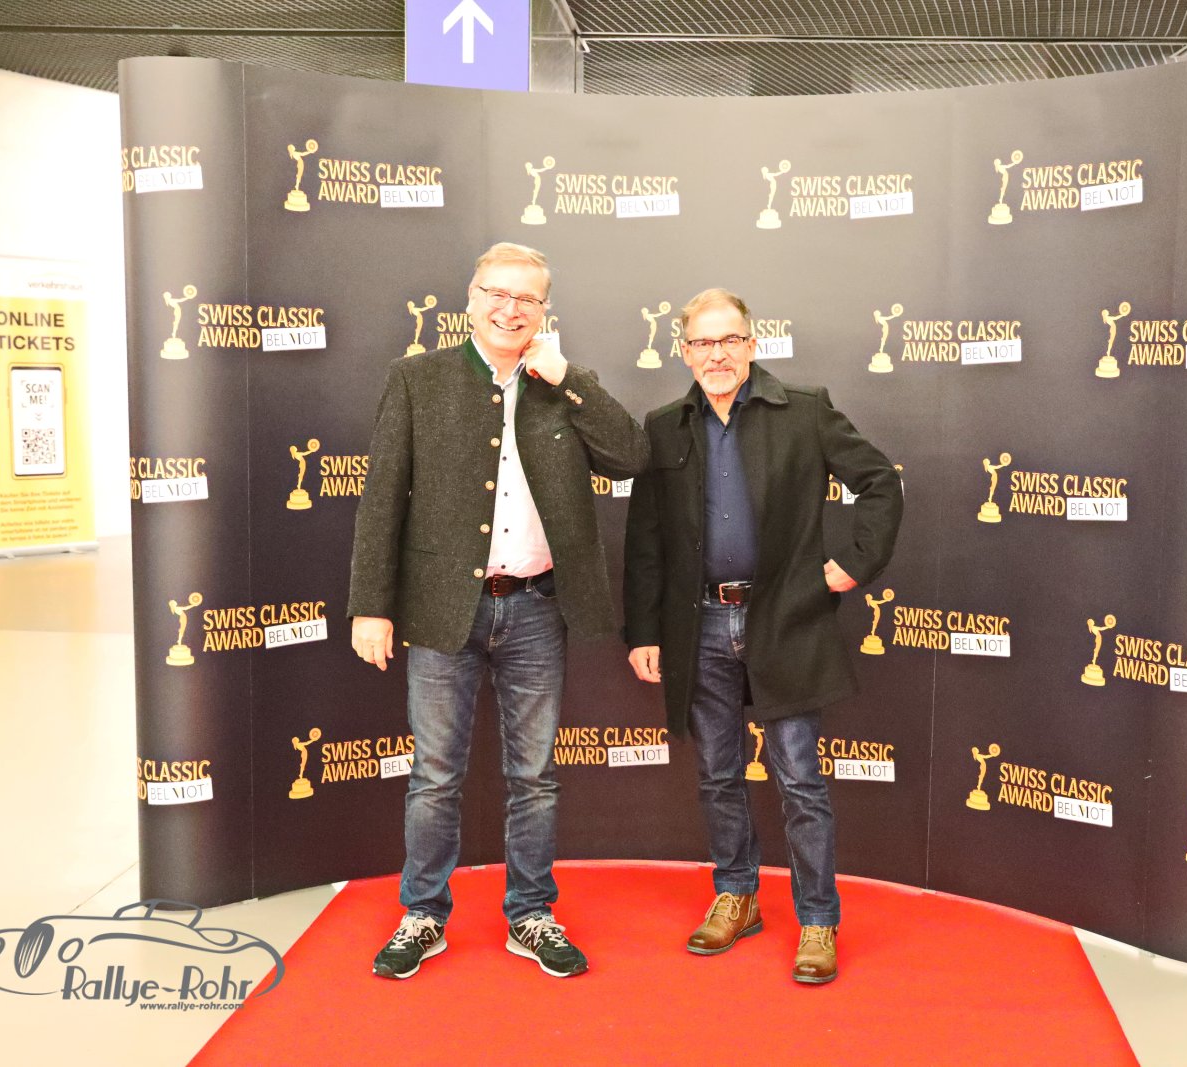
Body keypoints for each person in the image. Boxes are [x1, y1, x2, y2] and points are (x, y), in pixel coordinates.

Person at [348, 242, 649, 980]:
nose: (510, 309)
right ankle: (423, 913)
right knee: (434, 776)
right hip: (441, 609)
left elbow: (631, 457)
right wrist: (370, 607)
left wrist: (568, 379)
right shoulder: (417, 379)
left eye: (527, 299)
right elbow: (381, 499)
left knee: (534, 776)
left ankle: (531, 914)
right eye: (497, 293)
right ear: (471, 299)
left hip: (537, 608)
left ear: (545, 311)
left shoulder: (564, 383)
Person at [623, 288, 902, 984]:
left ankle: (818, 920)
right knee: (718, 774)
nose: (716, 354)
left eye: (729, 340)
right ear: (684, 352)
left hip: (785, 619)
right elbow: (646, 541)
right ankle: (737, 895)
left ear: (752, 344)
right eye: (702, 343)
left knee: (800, 780)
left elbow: (879, 482)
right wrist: (644, 630)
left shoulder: (804, 410)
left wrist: (855, 563)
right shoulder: (663, 427)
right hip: (699, 625)